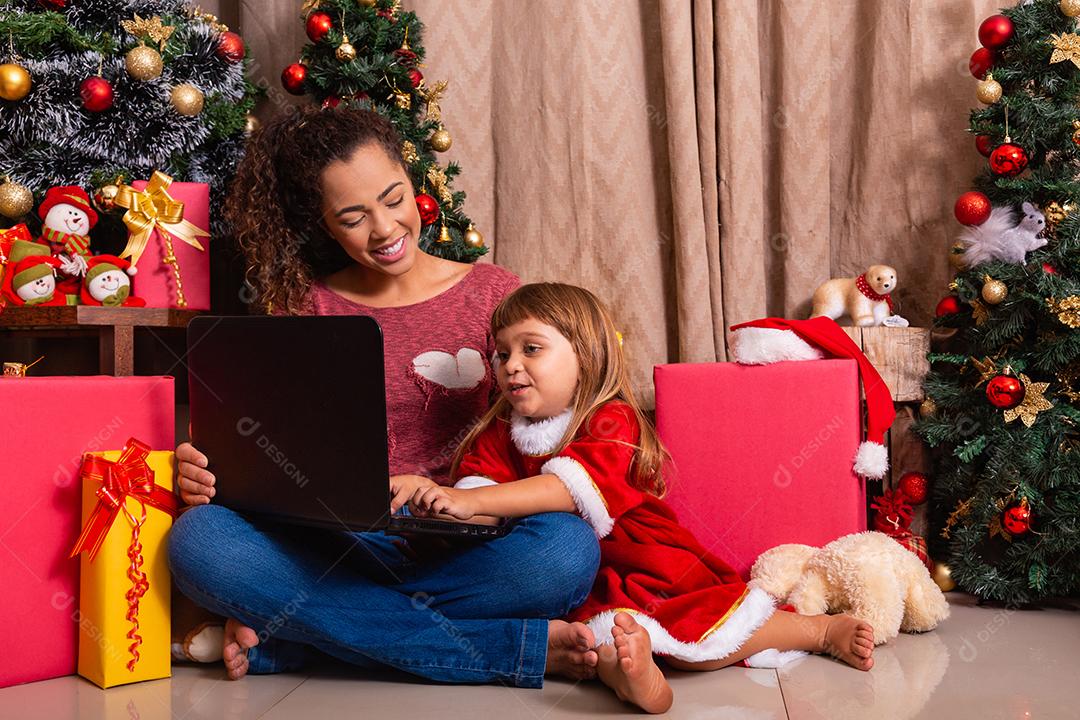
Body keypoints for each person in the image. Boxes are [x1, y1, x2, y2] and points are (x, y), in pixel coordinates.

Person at [168, 106, 603, 687]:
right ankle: (505, 649)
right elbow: (265, 445)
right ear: (323, 223)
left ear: (413, 179)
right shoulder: (306, 306)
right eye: (352, 216)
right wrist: (205, 465)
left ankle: (304, 641)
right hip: (340, 542)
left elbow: (553, 424)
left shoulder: (496, 294)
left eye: (393, 199)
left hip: (467, 544)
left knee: (565, 551)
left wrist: (468, 500)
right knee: (199, 543)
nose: (384, 229)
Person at [408, 283, 877, 713]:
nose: (511, 365)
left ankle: (818, 630)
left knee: (696, 620)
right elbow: (479, 498)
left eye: (531, 349)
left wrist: (470, 502)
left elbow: (566, 491)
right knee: (599, 639)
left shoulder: (610, 419)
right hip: (575, 579)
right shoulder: (498, 432)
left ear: (587, 355)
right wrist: (445, 507)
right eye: (502, 354)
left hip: (640, 557)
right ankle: (629, 676)